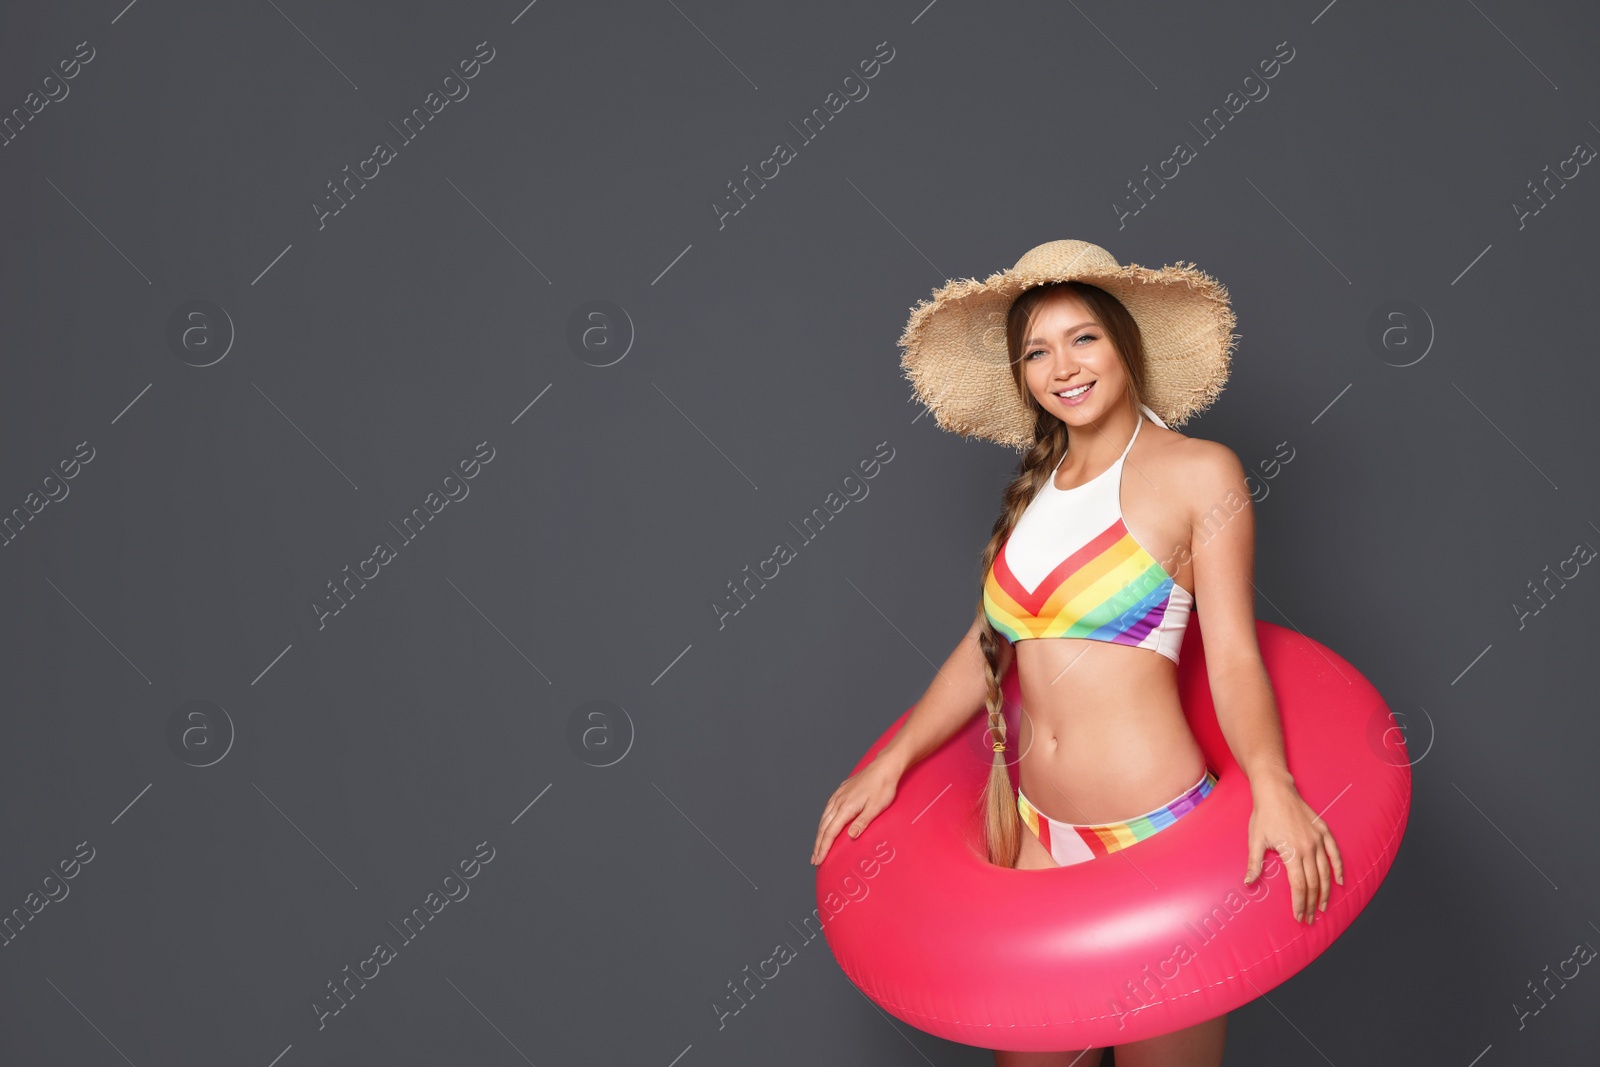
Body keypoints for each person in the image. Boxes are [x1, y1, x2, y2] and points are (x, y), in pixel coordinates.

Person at [810, 240, 1344, 1067]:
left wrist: (1270, 782)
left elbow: (1234, 656)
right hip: (1036, 836)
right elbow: (988, 643)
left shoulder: (1201, 474)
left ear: (1125, 343)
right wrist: (894, 759)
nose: (1063, 365)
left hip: (1157, 838)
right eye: (1036, 349)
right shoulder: (1036, 491)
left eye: (1084, 337)